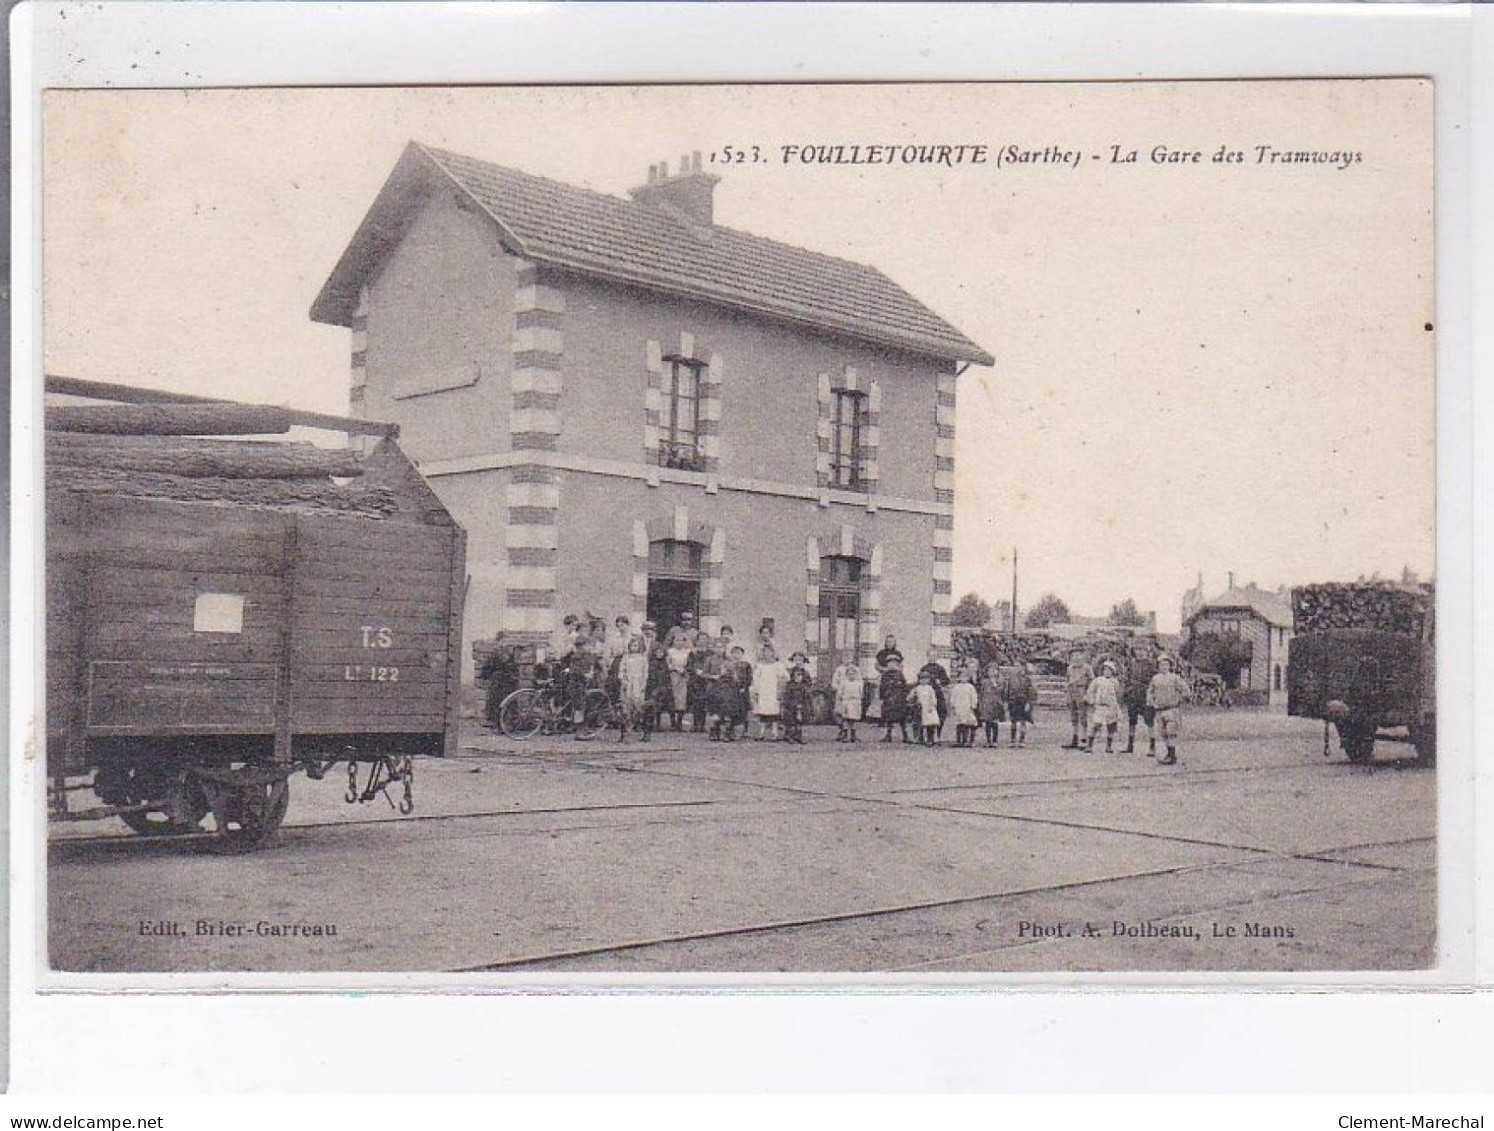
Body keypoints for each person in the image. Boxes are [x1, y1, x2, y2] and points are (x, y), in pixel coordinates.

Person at [1147, 654, 1191, 765]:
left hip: (1171, 710)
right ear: (1158, 666)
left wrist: (1180, 699)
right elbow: (1150, 692)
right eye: (1162, 664)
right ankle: (1168, 753)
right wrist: (1151, 702)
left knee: (1171, 732)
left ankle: (1172, 756)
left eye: (1166, 664)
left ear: (1170, 666)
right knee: (1163, 733)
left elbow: (1186, 690)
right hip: (1159, 710)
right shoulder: (1155, 679)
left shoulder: (1175, 678)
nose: (1164, 667)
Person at [1122, 644, 1159, 755]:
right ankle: (1130, 745)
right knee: (1132, 720)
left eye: (1143, 649)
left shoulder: (1151, 664)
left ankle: (1152, 747)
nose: (1140, 652)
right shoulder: (1131, 663)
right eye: (1138, 649)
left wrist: (1152, 694)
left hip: (1145, 695)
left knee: (1149, 720)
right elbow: (1127, 678)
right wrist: (1127, 690)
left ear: (1147, 651)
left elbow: (1155, 680)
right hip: (1133, 695)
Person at [479, 642, 521, 731]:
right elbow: (485, 671)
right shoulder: (494, 658)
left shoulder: (511, 660)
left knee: (509, 706)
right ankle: (497, 725)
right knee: (495, 705)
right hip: (497, 686)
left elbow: (515, 673)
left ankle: (510, 725)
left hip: (508, 686)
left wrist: (513, 678)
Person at [751, 642, 788, 740]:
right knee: (763, 713)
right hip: (763, 692)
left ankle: (774, 733)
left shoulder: (778, 665)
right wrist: (756, 691)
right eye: (765, 652)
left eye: (769, 652)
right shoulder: (760, 665)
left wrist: (780, 690)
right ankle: (761, 733)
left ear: (773, 653)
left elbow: (784, 677)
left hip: (773, 691)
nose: (767, 654)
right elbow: (755, 679)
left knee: (774, 713)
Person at [1084, 660, 1123, 753]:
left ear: (1113, 672)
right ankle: (1089, 745)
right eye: (1105, 670)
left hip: (1111, 706)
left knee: (1111, 725)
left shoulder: (1115, 682)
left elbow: (1118, 694)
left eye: (1109, 670)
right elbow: (1090, 691)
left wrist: (1116, 704)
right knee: (1096, 724)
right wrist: (1091, 700)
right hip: (1100, 706)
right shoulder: (1098, 680)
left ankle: (1109, 746)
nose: (1107, 672)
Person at [616, 636, 650, 742]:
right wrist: (623, 680)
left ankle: (641, 729)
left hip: (638, 682)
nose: (634, 647)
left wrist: (642, 685)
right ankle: (626, 731)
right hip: (628, 682)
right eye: (632, 645)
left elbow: (645, 673)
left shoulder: (643, 658)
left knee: (638, 706)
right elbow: (621, 670)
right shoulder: (626, 657)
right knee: (626, 706)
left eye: (636, 645)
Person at [721, 644, 753, 741]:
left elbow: (749, 678)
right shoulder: (727, 664)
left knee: (744, 710)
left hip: (742, 690)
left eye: (739, 653)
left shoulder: (746, 665)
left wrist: (744, 687)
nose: (736, 655)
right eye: (734, 653)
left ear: (742, 654)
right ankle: (729, 731)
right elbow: (724, 677)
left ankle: (745, 731)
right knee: (730, 710)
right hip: (731, 691)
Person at [1064, 649, 1095, 749]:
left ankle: (1083, 739)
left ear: (1082, 656)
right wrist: (1068, 695)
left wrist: (1088, 694)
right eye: (1074, 655)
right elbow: (1068, 681)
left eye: (1078, 654)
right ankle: (1075, 738)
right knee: (1073, 716)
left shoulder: (1087, 667)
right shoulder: (1070, 668)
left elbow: (1091, 681)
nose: (1076, 657)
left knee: (1083, 716)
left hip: (1082, 691)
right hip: (1072, 692)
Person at [686, 630, 714, 733]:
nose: (703, 641)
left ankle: (702, 724)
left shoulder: (710, 653)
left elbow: (713, 664)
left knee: (703, 703)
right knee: (695, 702)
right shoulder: (692, 653)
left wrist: (706, 672)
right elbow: (689, 666)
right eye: (701, 639)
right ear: (697, 640)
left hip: (706, 679)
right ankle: (695, 724)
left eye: (705, 639)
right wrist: (695, 671)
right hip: (695, 680)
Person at [1004, 663, 1037, 748]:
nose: (1017, 669)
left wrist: (1029, 703)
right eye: (1015, 666)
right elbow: (1007, 691)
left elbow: (1031, 692)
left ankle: (1022, 740)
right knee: (1013, 722)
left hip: (1023, 702)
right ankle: (1012, 740)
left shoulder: (1027, 680)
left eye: (1019, 667)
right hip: (1013, 702)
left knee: (1023, 722)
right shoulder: (1010, 680)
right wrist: (1007, 701)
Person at [879, 655, 911, 743]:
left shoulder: (900, 674)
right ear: (887, 664)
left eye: (894, 662)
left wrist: (905, 696)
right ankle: (888, 735)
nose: (892, 664)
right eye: (890, 663)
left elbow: (904, 686)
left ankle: (905, 735)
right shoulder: (885, 675)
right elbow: (882, 687)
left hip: (899, 699)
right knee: (889, 717)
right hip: (888, 699)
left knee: (902, 718)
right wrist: (882, 697)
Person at [832, 660, 864, 743]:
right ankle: (845, 735)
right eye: (849, 674)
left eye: (853, 674)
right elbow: (840, 693)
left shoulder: (859, 683)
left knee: (854, 720)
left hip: (855, 703)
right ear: (846, 675)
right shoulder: (844, 683)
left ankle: (853, 735)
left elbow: (861, 693)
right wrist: (842, 699)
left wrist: (858, 699)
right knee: (846, 719)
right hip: (846, 702)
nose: (851, 676)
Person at [665, 633, 692, 730]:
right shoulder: (670, 652)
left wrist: (684, 670)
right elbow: (667, 664)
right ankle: (672, 722)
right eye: (677, 640)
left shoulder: (688, 652)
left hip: (683, 676)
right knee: (672, 696)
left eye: (681, 640)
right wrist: (675, 668)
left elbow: (690, 664)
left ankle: (679, 722)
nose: (679, 642)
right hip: (673, 675)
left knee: (682, 698)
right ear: (673, 641)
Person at [645, 640, 672, 736]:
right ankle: (651, 724)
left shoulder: (664, 664)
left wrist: (666, 686)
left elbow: (667, 676)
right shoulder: (652, 664)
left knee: (661, 706)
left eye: (661, 652)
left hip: (663, 687)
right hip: (653, 687)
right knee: (653, 706)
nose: (659, 654)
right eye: (658, 652)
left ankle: (659, 723)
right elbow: (651, 676)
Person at [782, 661, 813, 745]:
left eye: (800, 675)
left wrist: (806, 705)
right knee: (791, 722)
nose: (798, 677)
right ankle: (789, 736)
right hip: (791, 707)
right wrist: (790, 705)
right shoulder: (790, 686)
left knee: (799, 722)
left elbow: (807, 697)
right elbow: (787, 697)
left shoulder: (804, 686)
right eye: (796, 675)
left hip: (801, 706)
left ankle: (798, 736)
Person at [977, 660, 1006, 748]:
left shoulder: (1000, 681)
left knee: (994, 723)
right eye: (990, 671)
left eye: (994, 670)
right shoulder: (984, 682)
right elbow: (981, 693)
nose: (992, 672)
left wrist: (994, 684)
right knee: (987, 723)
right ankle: (988, 740)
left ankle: (994, 740)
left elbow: (1001, 692)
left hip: (996, 704)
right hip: (986, 704)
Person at [948, 670, 979, 747]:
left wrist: (973, 705)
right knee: (959, 724)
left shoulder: (970, 687)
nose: (963, 678)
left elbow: (974, 696)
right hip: (959, 708)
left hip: (968, 707)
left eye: (965, 677)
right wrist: (953, 705)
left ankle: (967, 741)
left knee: (968, 724)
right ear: (959, 678)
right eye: (962, 677)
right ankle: (959, 741)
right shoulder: (956, 687)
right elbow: (953, 697)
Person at [910, 671, 941, 746]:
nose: (924, 681)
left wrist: (932, 705)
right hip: (920, 708)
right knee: (920, 724)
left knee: (930, 724)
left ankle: (930, 739)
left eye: (926, 679)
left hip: (929, 708)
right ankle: (920, 739)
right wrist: (913, 698)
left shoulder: (930, 688)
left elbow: (933, 698)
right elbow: (910, 697)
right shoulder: (917, 688)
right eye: (922, 679)